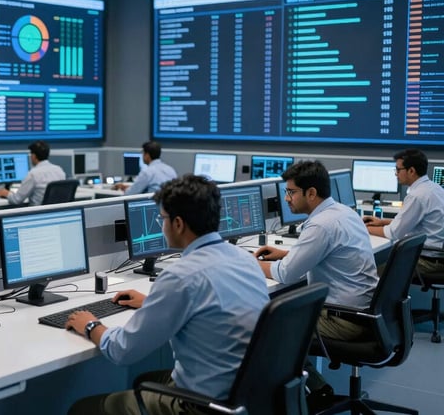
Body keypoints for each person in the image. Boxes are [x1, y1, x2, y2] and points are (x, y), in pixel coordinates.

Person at [66, 174, 269, 415]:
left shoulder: (181, 277)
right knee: (147, 378)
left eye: (162, 219)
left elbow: (123, 350)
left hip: (203, 405)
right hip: (249, 394)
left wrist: (91, 325)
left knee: (84, 409)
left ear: (179, 224)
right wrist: (152, 303)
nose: (161, 226)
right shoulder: (245, 259)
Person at [254, 160, 378, 410]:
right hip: (365, 312)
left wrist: (248, 263)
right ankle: (316, 388)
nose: (286, 199)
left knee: (268, 329)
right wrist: (284, 253)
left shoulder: (321, 224)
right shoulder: (343, 212)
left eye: (291, 192)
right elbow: (314, 255)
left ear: (311, 193)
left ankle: (309, 393)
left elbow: (286, 274)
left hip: (343, 319)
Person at [364, 149, 444, 274]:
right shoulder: (434, 188)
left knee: (370, 270)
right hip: (436, 254)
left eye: (398, 169)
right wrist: (382, 222)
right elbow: (415, 222)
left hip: (427, 259)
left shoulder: (417, 196)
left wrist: (364, 228)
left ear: (411, 171)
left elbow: (393, 233)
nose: (396, 174)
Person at [0, 140, 66, 205]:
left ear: (34, 156)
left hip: (37, 214)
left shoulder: (33, 174)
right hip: (57, 213)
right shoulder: (59, 170)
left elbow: (17, 200)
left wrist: (6, 193)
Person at [113, 141, 177, 194]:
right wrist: (126, 187)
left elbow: (131, 193)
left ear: (147, 155)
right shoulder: (171, 170)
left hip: (153, 205)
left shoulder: (147, 172)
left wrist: (122, 189)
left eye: (143, 154)